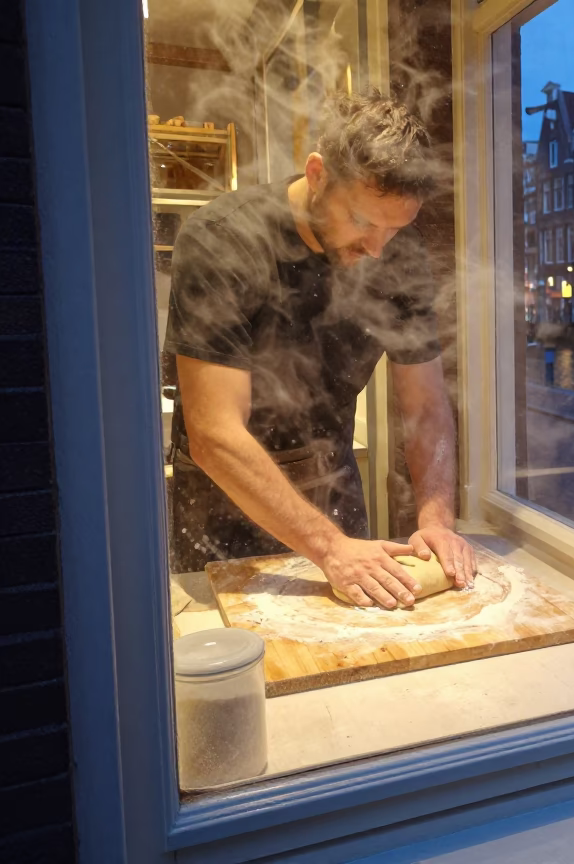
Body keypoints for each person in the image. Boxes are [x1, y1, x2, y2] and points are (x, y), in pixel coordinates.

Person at [165, 91, 476, 608]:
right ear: (317, 175)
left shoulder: (401, 254)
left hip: (331, 488)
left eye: (394, 229)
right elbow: (214, 434)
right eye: (361, 221)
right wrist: (329, 548)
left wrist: (437, 521)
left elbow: (424, 406)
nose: (377, 248)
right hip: (224, 499)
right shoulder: (223, 241)